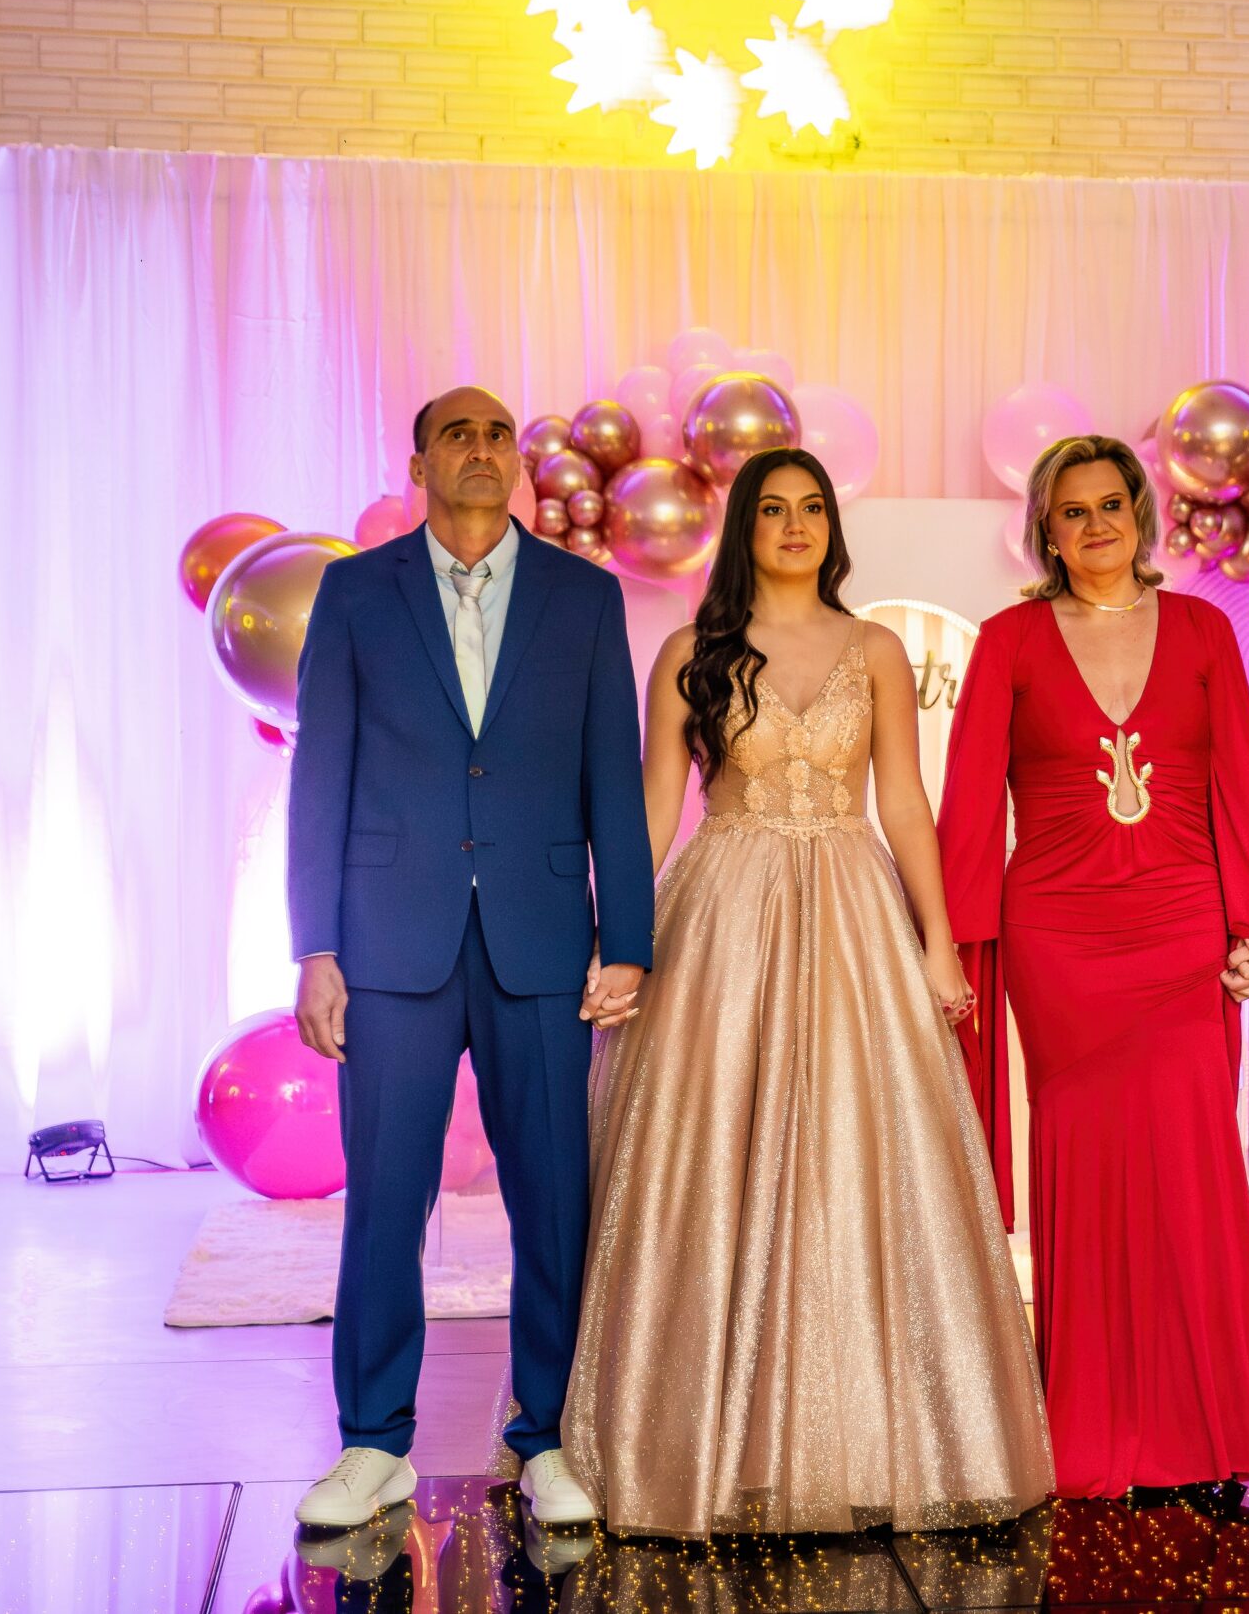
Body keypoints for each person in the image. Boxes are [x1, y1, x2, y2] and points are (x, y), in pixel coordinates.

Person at [560, 447, 1052, 1538]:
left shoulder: (874, 648)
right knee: (710, 1153)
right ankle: (696, 1434)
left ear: (832, 526)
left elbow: (904, 803)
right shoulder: (690, 651)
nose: (796, 525)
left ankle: (862, 1437)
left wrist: (937, 943)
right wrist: (617, 937)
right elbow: (652, 808)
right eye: (774, 509)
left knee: (852, 1151)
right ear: (745, 527)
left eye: (813, 508)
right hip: (722, 910)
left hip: (851, 905)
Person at [286, 386, 652, 1530]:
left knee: (553, 1202)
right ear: (420, 464)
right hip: (388, 942)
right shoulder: (356, 591)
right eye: (459, 434)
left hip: (541, 941)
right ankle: (372, 1444)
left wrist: (627, 940)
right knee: (384, 1202)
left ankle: (548, 1436)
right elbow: (319, 772)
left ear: (517, 463)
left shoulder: (585, 598)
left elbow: (613, 773)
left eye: (498, 434)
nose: (482, 449)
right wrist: (315, 947)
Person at [937, 433, 1249, 1499]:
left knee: (1191, 1169)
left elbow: (1243, 780)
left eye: (1111, 504)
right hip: (1059, 939)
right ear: (1046, 530)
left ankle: (1204, 1428)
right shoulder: (1007, 639)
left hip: (1183, 929)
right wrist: (954, 946)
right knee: (1085, 1166)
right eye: (1073, 510)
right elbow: (970, 803)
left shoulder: (1203, 630)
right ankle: (1093, 1432)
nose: (1095, 524)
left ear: (1139, 513)